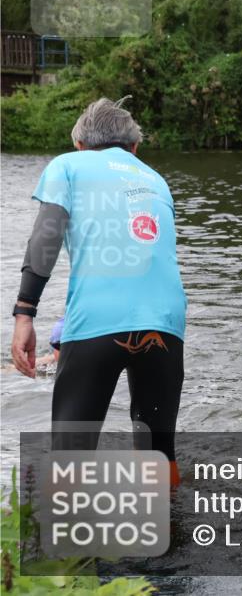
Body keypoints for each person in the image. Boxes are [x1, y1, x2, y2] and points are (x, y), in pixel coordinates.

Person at [9, 97, 187, 486]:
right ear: (135, 148)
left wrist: (25, 312)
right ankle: (173, 533)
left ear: (79, 145)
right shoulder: (156, 179)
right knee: (159, 453)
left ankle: (73, 541)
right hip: (166, 323)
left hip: (97, 323)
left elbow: (46, 238)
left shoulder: (67, 166)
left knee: (71, 456)